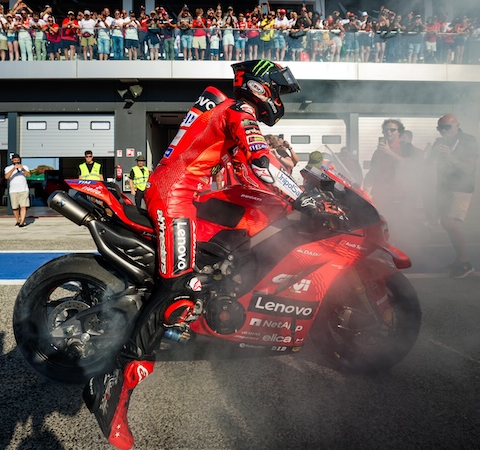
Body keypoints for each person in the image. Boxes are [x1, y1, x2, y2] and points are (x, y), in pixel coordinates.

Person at [83, 60, 324, 450]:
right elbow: (262, 165)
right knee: (178, 291)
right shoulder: (239, 112)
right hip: (174, 196)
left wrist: (295, 190)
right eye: (277, 91)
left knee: (246, 230)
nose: (279, 100)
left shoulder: (226, 107)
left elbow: (252, 164)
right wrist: (304, 198)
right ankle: (110, 386)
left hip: (183, 192)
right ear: (261, 88)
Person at [433, 113, 478, 279]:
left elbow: (469, 168)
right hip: (444, 187)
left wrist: (451, 158)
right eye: (441, 128)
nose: (444, 131)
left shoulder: (468, 140)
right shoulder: (439, 142)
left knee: (449, 222)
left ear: (457, 125)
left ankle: (466, 263)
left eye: (448, 127)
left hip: (461, 187)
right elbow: (428, 164)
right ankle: (459, 259)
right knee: (445, 223)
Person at [4, 153, 30, 227]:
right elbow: (6, 177)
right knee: (15, 207)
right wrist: (13, 169)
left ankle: (22, 222)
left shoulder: (24, 167)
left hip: (23, 189)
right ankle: (18, 220)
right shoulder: (8, 168)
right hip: (13, 190)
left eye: (17, 160)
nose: (16, 161)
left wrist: (23, 169)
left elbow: (29, 175)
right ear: (12, 160)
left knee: (23, 206)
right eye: (15, 160)